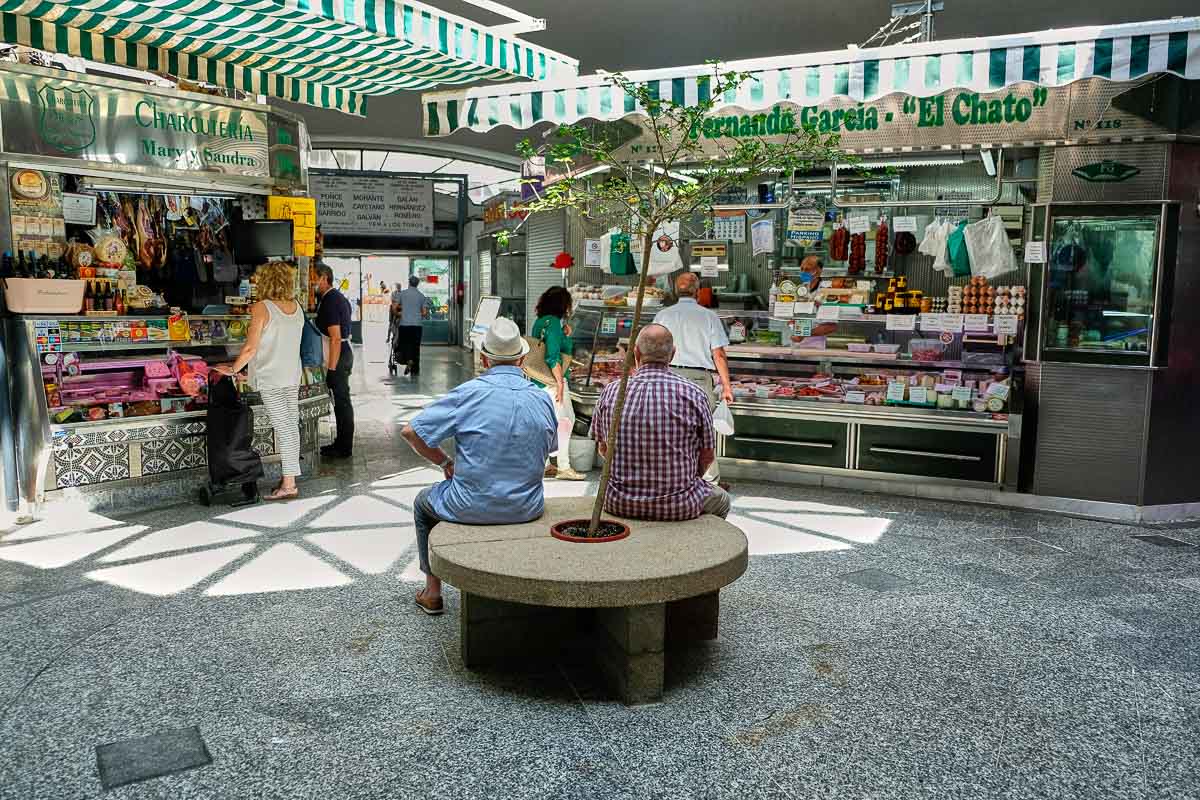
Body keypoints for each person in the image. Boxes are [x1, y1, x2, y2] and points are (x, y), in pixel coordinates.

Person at [401, 318, 557, 615]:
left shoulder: (468, 393)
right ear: (523, 359)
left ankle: (432, 592)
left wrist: (446, 462)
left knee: (423, 504)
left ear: (484, 358)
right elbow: (547, 454)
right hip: (527, 507)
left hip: (469, 506)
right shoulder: (542, 398)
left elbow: (411, 432)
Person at [590, 324, 730, 521]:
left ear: (636, 353)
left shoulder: (612, 391)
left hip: (618, 502)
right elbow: (707, 456)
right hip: (679, 505)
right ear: (672, 354)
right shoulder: (694, 394)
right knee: (723, 500)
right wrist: (689, 478)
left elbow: (603, 448)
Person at [215, 261, 304, 501]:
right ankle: (290, 480)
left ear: (265, 281)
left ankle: (289, 485)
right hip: (291, 376)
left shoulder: (261, 307)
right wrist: (249, 372)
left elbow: (252, 348)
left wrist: (234, 370)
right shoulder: (297, 307)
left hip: (272, 379)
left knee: (285, 428)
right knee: (291, 426)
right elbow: (279, 346)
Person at [653, 272, 733, 487]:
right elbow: (719, 354)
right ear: (698, 292)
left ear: (676, 292)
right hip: (698, 379)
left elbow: (652, 346)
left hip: (667, 376)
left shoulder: (663, 316)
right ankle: (709, 482)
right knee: (703, 430)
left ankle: (673, 477)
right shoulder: (708, 316)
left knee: (669, 428)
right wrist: (726, 385)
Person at [530, 286, 585, 481]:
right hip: (553, 381)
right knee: (565, 420)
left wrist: (565, 335)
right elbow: (553, 356)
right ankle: (563, 466)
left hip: (538, 380)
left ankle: (545, 464)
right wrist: (560, 383)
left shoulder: (540, 322)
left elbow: (544, 346)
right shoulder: (553, 323)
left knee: (547, 422)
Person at [314, 262, 355, 458]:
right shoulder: (335, 298)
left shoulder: (331, 300)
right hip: (342, 353)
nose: (311, 282)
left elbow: (336, 338)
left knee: (342, 401)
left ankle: (344, 447)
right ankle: (340, 443)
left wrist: (331, 369)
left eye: (313, 277)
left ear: (323, 277)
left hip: (338, 355)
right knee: (341, 401)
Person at [392, 275, 432, 377]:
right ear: (417, 284)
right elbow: (424, 313)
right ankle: (415, 369)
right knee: (415, 347)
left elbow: (394, 307)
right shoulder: (421, 296)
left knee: (404, 344)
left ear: (409, 282)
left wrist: (398, 314)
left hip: (404, 325)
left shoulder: (402, 294)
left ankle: (408, 360)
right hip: (417, 326)